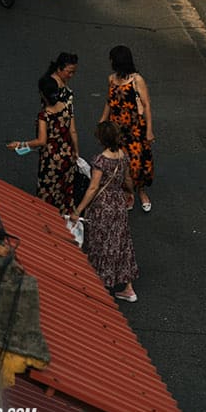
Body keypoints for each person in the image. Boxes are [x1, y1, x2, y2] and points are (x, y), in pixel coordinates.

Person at [74, 121, 139, 302]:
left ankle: (100, 285)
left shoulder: (100, 161)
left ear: (101, 139)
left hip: (102, 206)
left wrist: (79, 209)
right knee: (121, 242)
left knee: (100, 243)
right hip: (118, 203)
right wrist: (130, 193)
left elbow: (93, 188)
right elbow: (127, 179)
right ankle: (128, 287)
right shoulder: (122, 156)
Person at [8, 75, 79, 218]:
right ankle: (65, 219)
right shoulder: (67, 107)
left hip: (51, 159)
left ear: (42, 93)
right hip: (67, 154)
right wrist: (76, 151)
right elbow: (73, 131)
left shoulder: (44, 115)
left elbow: (41, 141)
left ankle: (46, 220)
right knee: (65, 190)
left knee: (48, 191)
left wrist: (20, 144)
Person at [100, 45, 154, 212]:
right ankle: (127, 192)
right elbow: (109, 102)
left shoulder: (137, 80)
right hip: (117, 129)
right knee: (121, 164)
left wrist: (149, 130)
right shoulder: (111, 79)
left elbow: (146, 106)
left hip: (135, 129)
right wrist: (102, 119)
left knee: (136, 164)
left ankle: (141, 191)